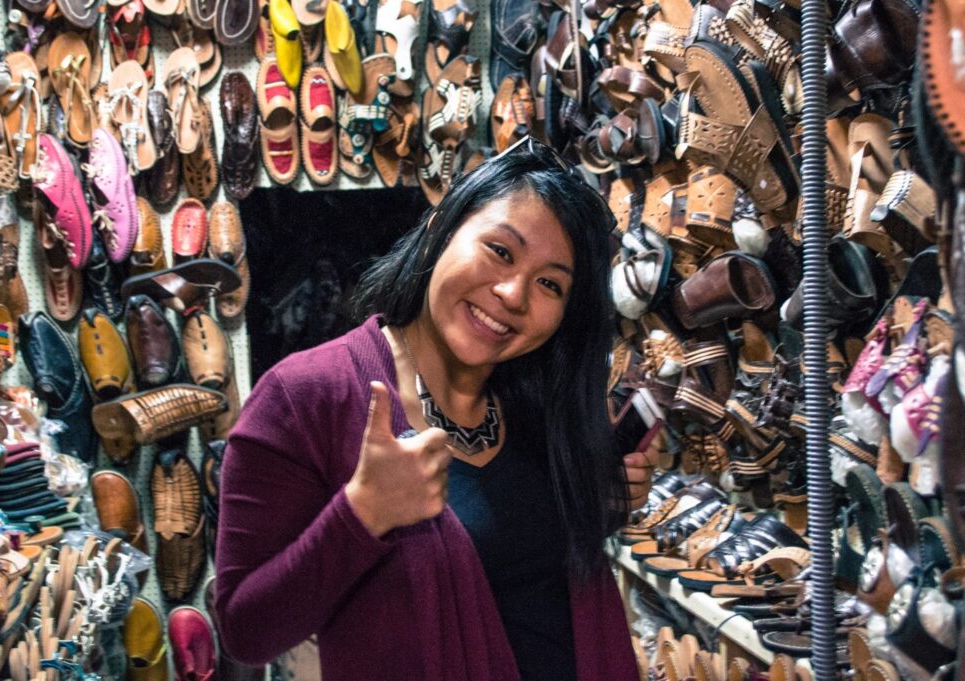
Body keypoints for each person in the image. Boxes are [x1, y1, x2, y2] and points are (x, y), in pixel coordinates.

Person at [214, 138, 655, 681]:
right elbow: (245, 630)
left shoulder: (534, 402)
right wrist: (362, 515)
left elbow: (529, 573)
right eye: (500, 250)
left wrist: (598, 497)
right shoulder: (305, 396)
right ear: (439, 229)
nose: (514, 293)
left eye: (550, 284)